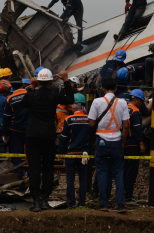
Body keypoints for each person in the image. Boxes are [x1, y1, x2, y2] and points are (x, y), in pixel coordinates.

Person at [21, 68, 76, 212]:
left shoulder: (32, 95)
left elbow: (23, 103)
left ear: (38, 81)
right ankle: (45, 199)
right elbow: (71, 99)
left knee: (34, 169)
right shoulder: (54, 95)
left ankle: (36, 201)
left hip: (32, 135)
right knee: (48, 168)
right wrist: (66, 80)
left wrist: (31, 87)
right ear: (51, 82)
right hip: (48, 136)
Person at [88, 77, 130, 211]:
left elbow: (91, 123)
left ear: (103, 89)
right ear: (116, 89)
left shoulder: (97, 101)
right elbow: (126, 126)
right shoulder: (122, 102)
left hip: (101, 141)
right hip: (117, 141)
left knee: (102, 172)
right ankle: (121, 204)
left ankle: (104, 203)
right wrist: (122, 143)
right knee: (118, 173)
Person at [58, 93, 90, 208]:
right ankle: (82, 203)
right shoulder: (88, 119)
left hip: (70, 154)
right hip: (84, 154)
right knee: (83, 180)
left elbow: (64, 139)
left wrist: (60, 154)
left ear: (75, 105)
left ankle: (71, 204)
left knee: (70, 180)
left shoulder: (68, 119)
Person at [2, 79, 30, 178]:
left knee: (16, 152)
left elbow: (7, 118)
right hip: (30, 129)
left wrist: (5, 134)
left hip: (15, 130)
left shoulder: (10, 99)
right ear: (22, 84)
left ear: (12, 87)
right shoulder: (29, 94)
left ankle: (18, 173)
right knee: (31, 151)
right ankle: (31, 172)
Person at [123, 89, 146, 202]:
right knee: (132, 171)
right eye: (140, 102)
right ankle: (129, 195)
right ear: (136, 100)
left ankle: (121, 193)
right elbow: (137, 129)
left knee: (123, 169)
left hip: (123, 143)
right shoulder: (135, 111)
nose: (141, 104)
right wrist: (141, 143)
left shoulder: (124, 109)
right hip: (133, 145)